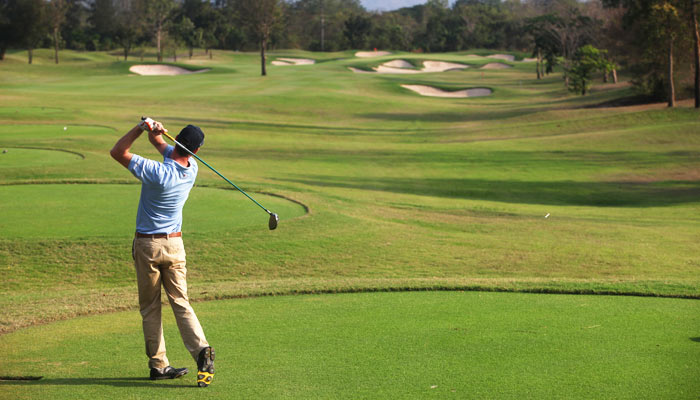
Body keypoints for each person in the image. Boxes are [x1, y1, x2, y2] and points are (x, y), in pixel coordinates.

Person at [110, 117, 215, 387]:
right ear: (196, 151)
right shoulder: (192, 168)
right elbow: (161, 145)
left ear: (176, 140)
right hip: (175, 245)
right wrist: (156, 134)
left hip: (148, 246)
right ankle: (201, 350)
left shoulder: (155, 171)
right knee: (181, 302)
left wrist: (140, 127)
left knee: (150, 307)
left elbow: (117, 152)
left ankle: (158, 364)